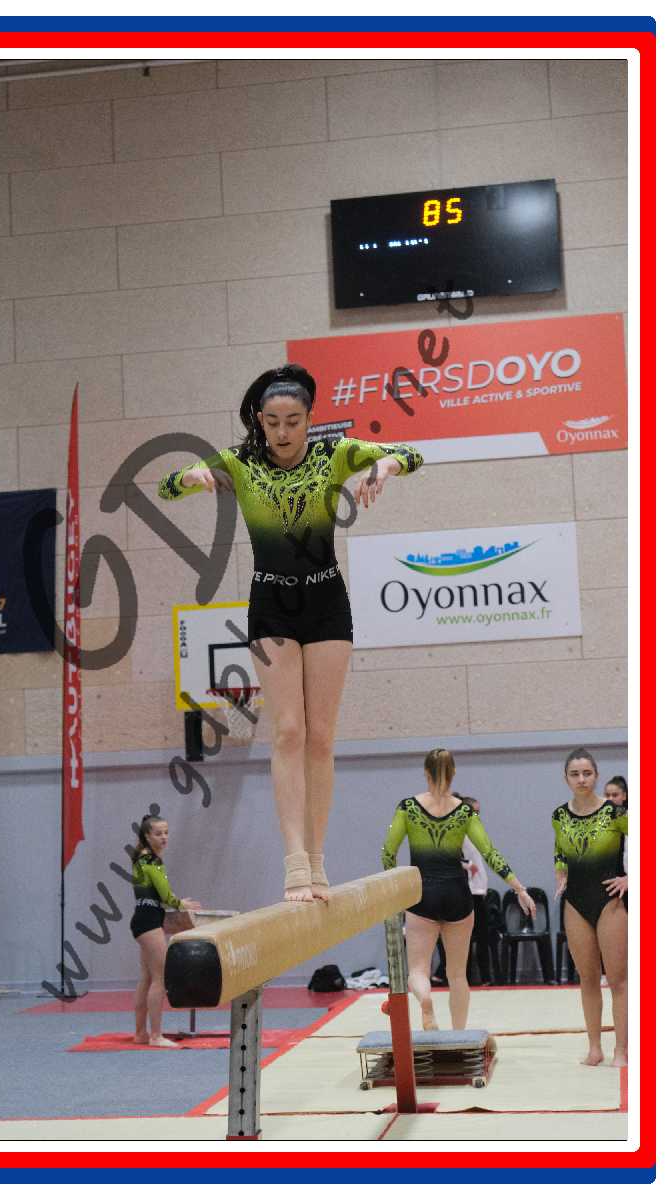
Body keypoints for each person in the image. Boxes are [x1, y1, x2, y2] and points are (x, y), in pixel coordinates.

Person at [158, 363, 423, 901]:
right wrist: (190, 477)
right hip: (272, 605)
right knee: (288, 732)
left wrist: (385, 465)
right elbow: (166, 487)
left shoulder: (335, 454)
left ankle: (318, 859)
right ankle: (295, 861)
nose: (282, 432)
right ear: (260, 420)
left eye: (293, 421)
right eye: (273, 421)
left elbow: (411, 453)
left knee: (321, 736)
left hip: (326, 603)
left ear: (309, 419)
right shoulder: (241, 462)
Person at [381, 749, 535, 1030]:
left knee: (418, 971)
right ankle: (459, 1034)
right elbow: (489, 852)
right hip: (458, 895)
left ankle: (426, 1000)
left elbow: (388, 851)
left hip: (422, 894)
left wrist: (394, 889)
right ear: (453, 773)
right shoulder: (464, 811)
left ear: (425, 773)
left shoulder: (408, 807)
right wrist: (519, 888)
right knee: (457, 975)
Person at [553, 749, 628, 1067]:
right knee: (587, 977)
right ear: (566, 778)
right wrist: (560, 873)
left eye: (587, 773)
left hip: (610, 900)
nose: (581, 779)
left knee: (618, 979)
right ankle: (594, 1047)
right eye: (575, 774)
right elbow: (560, 849)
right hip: (576, 901)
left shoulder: (616, 812)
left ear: (596, 775)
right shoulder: (559, 815)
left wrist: (631, 878)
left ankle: (622, 1049)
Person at [129, 815, 200, 1048]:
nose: (164, 838)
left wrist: (175, 902)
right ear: (147, 836)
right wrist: (181, 904)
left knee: (147, 977)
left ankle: (140, 1033)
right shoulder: (151, 860)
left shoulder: (141, 858)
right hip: (149, 923)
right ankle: (156, 1035)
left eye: (166, 833)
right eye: (158, 834)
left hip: (142, 920)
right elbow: (165, 893)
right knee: (160, 978)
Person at [455, 794, 494, 986]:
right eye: (474, 812)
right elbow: (450, 856)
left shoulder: (474, 832)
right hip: (469, 892)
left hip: (479, 891)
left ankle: (485, 978)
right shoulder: (458, 833)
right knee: (468, 939)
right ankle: (468, 979)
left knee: (483, 937)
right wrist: (468, 865)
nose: (477, 816)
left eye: (479, 812)